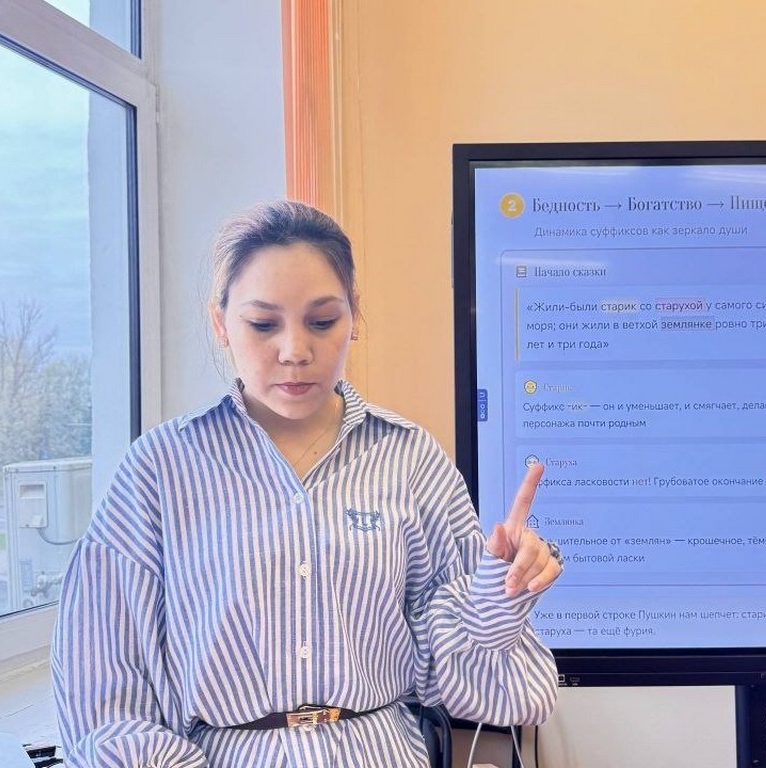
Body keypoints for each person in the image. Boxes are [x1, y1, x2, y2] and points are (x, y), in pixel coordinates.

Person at [51, 200, 563, 768]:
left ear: (354, 317)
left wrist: (499, 597)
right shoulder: (159, 468)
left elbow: (466, 680)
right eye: (263, 324)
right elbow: (104, 689)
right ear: (220, 323)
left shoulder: (411, 458)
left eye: (322, 321)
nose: (295, 351)